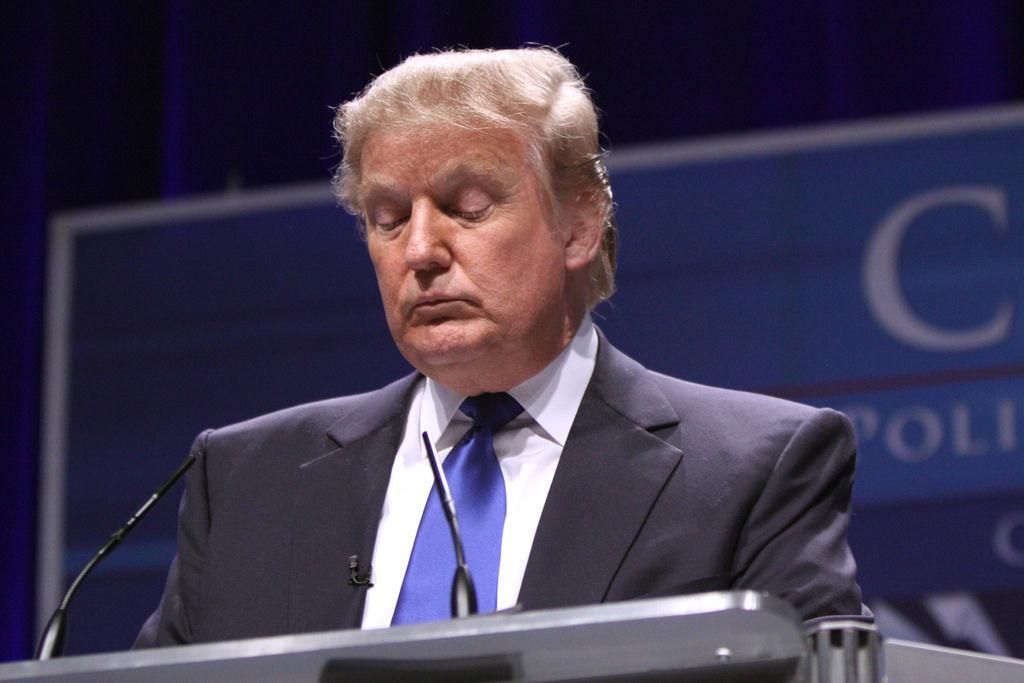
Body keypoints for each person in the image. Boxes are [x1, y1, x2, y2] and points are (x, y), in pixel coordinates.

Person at [136, 46, 863, 646]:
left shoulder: (751, 469)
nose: (420, 249)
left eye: (466, 207)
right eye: (388, 218)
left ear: (579, 224)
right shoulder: (246, 479)